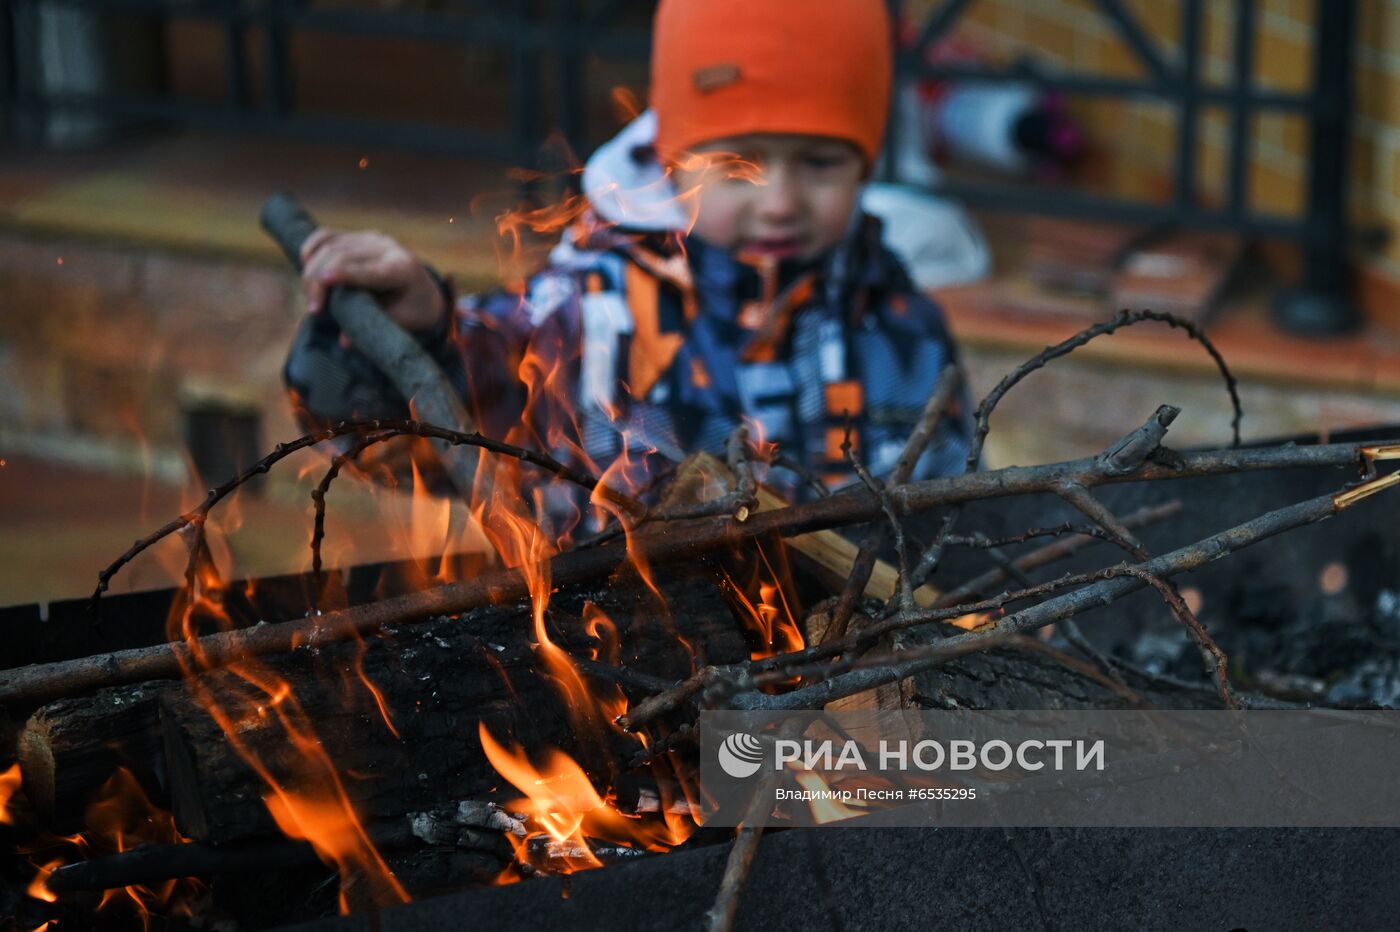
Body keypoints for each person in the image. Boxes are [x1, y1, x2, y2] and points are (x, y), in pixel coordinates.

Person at [284, 0, 971, 504]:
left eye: (821, 163)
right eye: (739, 164)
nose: (781, 201)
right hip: (629, 674)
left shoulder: (904, 327)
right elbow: (459, 412)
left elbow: (952, 528)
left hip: (855, 686)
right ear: (669, 159)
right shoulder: (595, 307)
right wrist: (423, 332)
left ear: (866, 166)